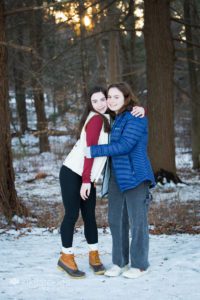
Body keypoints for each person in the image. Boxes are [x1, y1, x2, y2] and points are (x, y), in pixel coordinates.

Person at [57, 86, 145, 279]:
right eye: (94, 101)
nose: (100, 104)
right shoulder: (97, 119)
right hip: (74, 173)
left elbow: (127, 117)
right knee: (72, 214)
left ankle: (94, 255)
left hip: (85, 176)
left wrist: (139, 108)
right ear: (90, 104)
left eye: (103, 99)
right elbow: (90, 152)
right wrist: (86, 181)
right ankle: (66, 256)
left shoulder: (109, 118)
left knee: (89, 216)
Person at [85, 82, 155, 279]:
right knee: (116, 220)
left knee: (137, 222)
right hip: (117, 176)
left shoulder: (135, 117)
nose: (111, 100)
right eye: (109, 97)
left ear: (126, 98)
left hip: (136, 175)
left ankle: (140, 265)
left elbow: (124, 146)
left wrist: (93, 151)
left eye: (116, 96)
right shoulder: (115, 118)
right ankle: (120, 262)